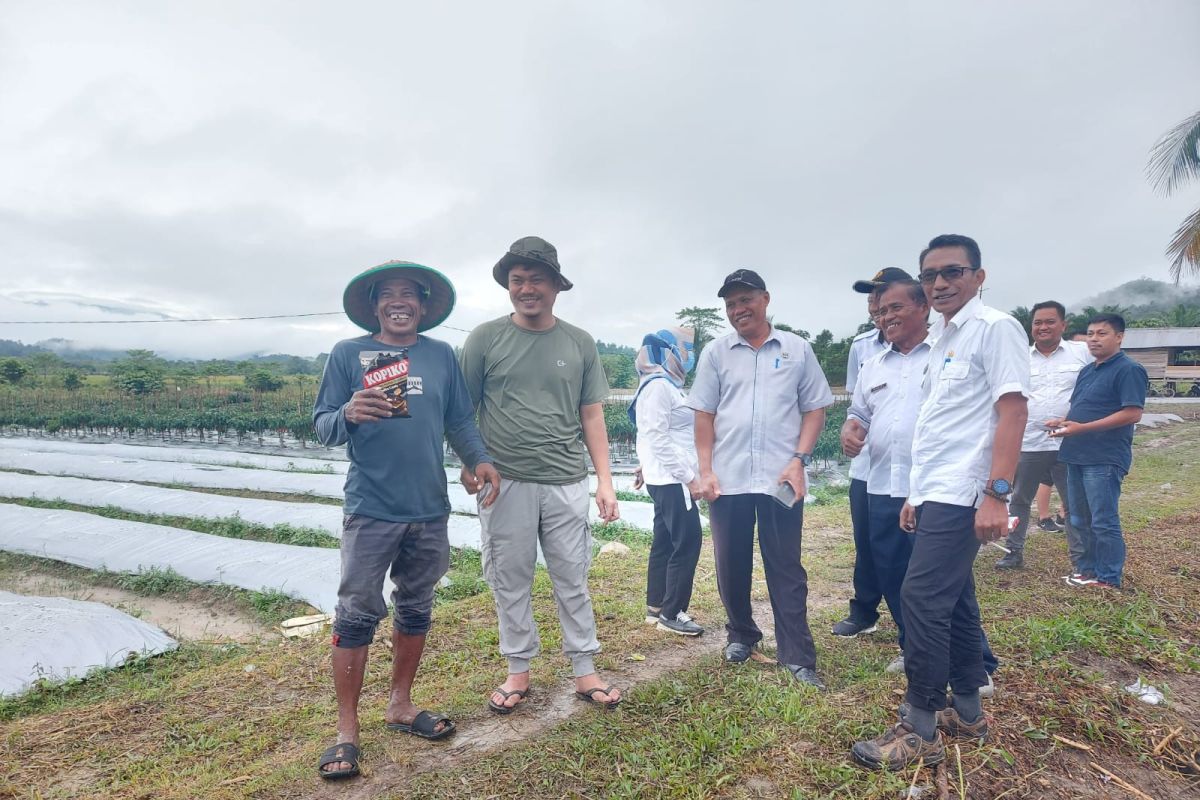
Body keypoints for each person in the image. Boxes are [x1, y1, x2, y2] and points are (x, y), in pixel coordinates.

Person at [312, 261, 501, 780]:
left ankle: (400, 705)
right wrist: (348, 412)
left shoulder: (441, 355)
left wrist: (479, 458)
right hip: (371, 508)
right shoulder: (348, 355)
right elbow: (321, 425)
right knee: (355, 614)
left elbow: (459, 417)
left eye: (409, 295)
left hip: (428, 509)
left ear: (423, 305)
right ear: (374, 306)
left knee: (416, 606)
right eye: (388, 295)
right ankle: (347, 731)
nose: (400, 302)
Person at [852, 234, 1028, 771]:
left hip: (968, 492)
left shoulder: (995, 329)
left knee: (922, 600)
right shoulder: (949, 337)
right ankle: (969, 713)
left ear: (978, 275)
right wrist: (917, 495)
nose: (941, 283)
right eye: (931, 275)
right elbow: (940, 427)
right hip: (938, 492)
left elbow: (1013, 411)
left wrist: (997, 495)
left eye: (953, 272)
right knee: (954, 600)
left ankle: (920, 724)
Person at [460, 235, 623, 714]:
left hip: (565, 480)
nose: (526, 288)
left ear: (555, 285)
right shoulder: (485, 339)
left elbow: (592, 416)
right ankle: (518, 671)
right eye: (517, 281)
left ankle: (584, 668)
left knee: (572, 575)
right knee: (509, 578)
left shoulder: (578, 342)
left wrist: (605, 482)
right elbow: (462, 411)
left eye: (535, 279)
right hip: (502, 482)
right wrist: (469, 464)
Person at [688, 269, 833, 689]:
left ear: (765, 299)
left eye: (745, 300)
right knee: (730, 564)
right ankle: (741, 634)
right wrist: (705, 469)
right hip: (728, 478)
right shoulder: (716, 353)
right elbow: (704, 414)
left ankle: (797, 655)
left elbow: (815, 407)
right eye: (731, 304)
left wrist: (799, 459)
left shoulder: (796, 349)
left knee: (785, 566)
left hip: (780, 478)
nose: (738, 310)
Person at [834, 267, 912, 639]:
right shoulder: (863, 347)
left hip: (912, 473)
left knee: (911, 552)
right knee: (868, 541)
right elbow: (858, 405)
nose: (878, 309)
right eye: (872, 301)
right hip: (869, 468)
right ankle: (865, 610)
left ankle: (913, 631)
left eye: (886, 300)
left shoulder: (936, 347)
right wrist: (850, 429)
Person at [1049, 313, 1146, 589]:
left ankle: (1108, 577)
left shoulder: (1129, 369)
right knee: (1078, 517)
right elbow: (1080, 408)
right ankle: (1086, 570)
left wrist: (1083, 427)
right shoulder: (1088, 371)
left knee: (1103, 520)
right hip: (1076, 453)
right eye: (1090, 334)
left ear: (1119, 336)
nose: (1094, 339)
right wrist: (1064, 423)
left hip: (1103, 457)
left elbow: (1132, 414)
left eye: (1102, 333)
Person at [995, 301, 1091, 571]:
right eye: (1038, 322)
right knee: (1019, 500)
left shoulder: (1081, 353)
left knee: (1074, 502)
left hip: (1070, 442)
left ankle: (1081, 560)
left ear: (1063, 325)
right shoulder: (1019, 357)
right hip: (1028, 443)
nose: (1043, 327)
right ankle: (1013, 553)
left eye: (1050, 321)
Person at [629, 327, 704, 636]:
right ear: (668, 353)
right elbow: (657, 436)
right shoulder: (659, 386)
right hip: (673, 480)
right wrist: (690, 478)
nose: (688, 356)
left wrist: (644, 465)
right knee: (688, 542)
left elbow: (649, 434)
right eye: (684, 350)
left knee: (664, 541)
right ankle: (672, 613)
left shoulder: (664, 385)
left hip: (663, 476)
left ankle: (656, 605)